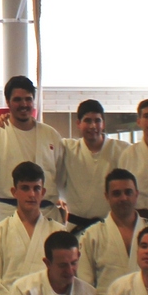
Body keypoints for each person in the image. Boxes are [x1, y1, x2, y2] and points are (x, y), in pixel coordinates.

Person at [78, 169, 148, 295]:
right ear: (107, 196)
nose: (123, 198)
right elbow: (84, 286)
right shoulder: (92, 235)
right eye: (116, 193)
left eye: (128, 192)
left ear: (136, 194)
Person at [0, 75, 64, 227]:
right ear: (8, 102)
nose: (24, 104)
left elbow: (61, 175)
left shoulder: (51, 135)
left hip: (46, 214)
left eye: (28, 99)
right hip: (6, 214)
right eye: (17, 99)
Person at [0, 162, 67, 289]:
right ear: (14, 192)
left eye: (36, 188)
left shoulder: (58, 232)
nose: (31, 194)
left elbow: (65, 276)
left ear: (43, 192)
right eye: (25, 188)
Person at [58, 100, 129, 235]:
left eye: (97, 120)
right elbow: (42, 141)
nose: (93, 126)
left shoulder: (122, 150)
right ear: (78, 123)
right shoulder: (68, 148)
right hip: (76, 227)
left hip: (110, 228)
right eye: (87, 120)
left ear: (103, 124)